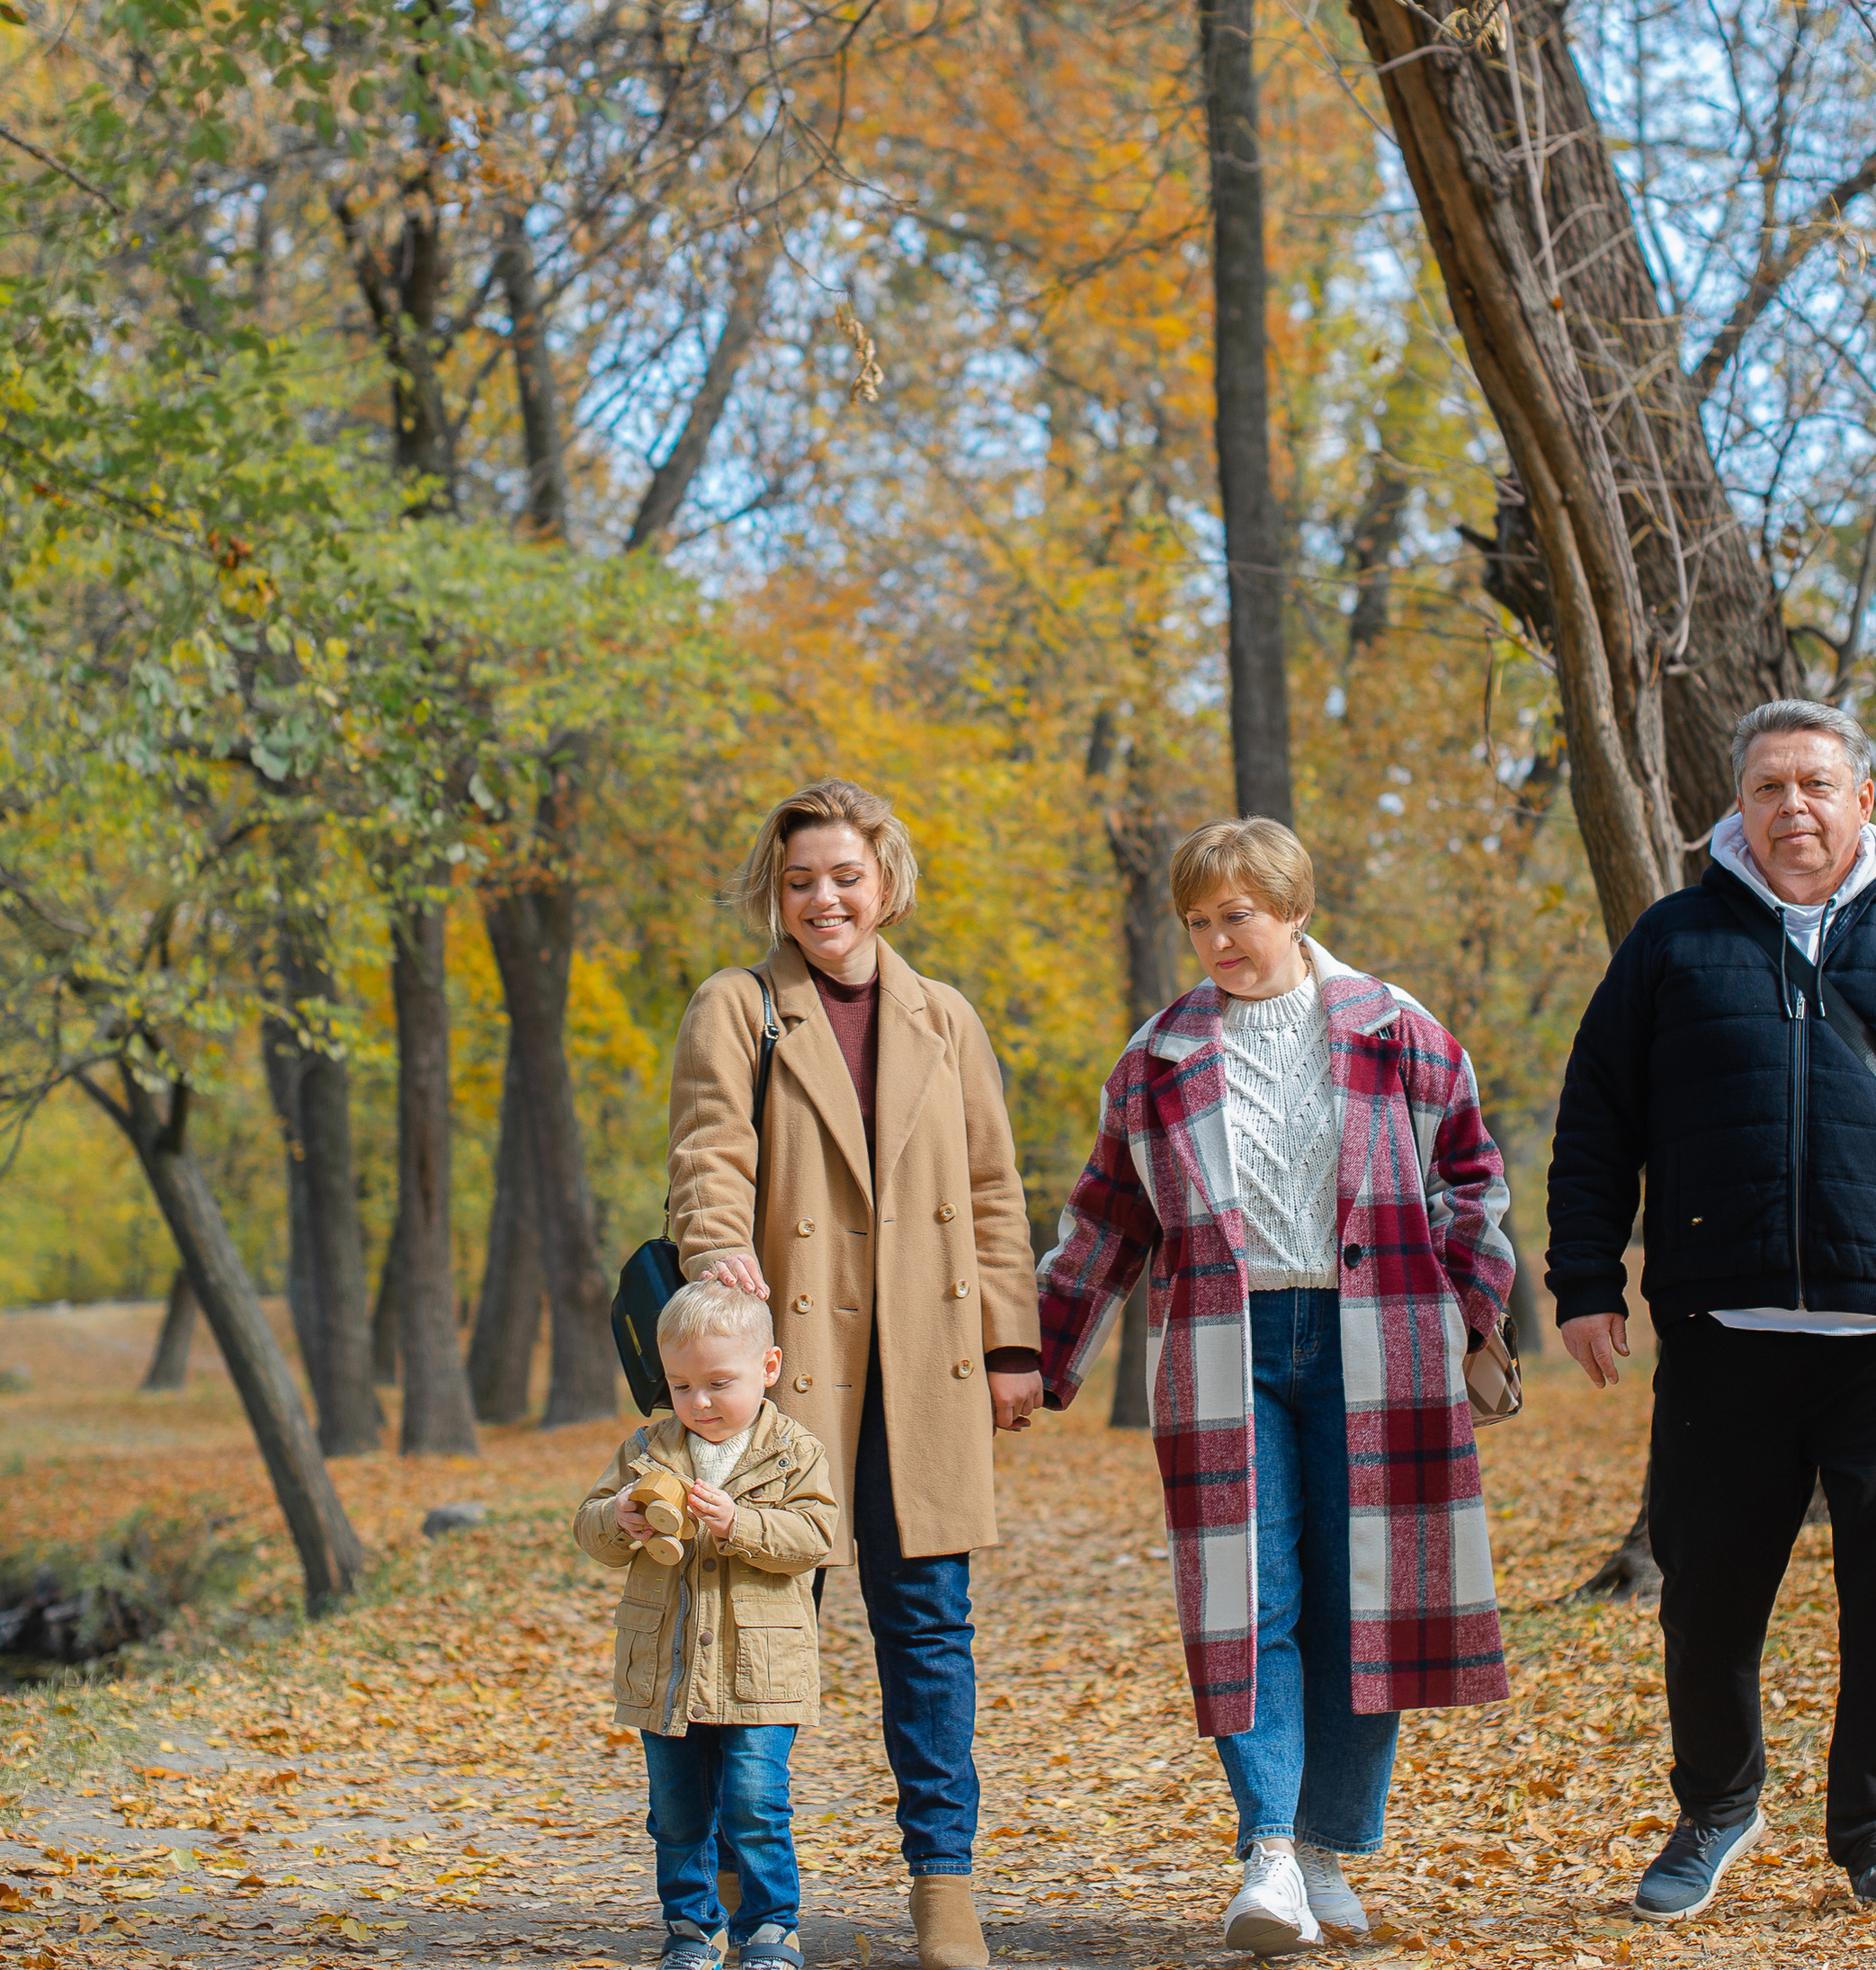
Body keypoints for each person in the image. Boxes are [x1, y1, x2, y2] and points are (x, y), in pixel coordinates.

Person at [1546, 699, 1876, 1922]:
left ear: (1862, 801)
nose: (1794, 808)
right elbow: (1595, 1123)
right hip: (1724, 1345)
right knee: (1709, 1599)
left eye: (1817, 785)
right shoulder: (1675, 943)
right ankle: (1715, 1808)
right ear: (1739, 806)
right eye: (1771, 786)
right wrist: (1583, 1281)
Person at [1036, 818, 1515, 1957]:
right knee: (1248, 1602)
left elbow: (1472, 1183)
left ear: (1295, 909)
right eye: (1198, 921)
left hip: (1379, 1348)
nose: (1217, 940)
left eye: (1237, 915)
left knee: (1369, 1604)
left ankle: (1324, 1851)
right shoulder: (1155, 1059)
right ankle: (1265, 1848)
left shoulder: (1399, 1031)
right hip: (1224, 1347)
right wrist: (1043, 1356)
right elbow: (1104, 1217)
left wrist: (1467, 1308)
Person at [665, 778, 1043, 1970]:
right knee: (760, 1620)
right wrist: (716, 1252)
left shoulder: (946, 1019)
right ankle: (740, 1885)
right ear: (773, 895)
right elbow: (709, 1152)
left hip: (926, 1372)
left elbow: (991, 1189)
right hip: (787, 1370)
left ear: (885, 882)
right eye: (799, 881)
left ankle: (945, 1888)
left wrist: (1010, 1344)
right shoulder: (740, 1007)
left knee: (930, 1629)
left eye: (843, 875)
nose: (823, 898)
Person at [575, 1280, 836, 1970]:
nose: (700, 1402)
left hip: (761, 1671)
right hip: (668, 1667)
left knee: (755, 1801)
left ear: (768, 1369)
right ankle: (692, 1930)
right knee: (677, 1811)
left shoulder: (793, 1450)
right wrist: (620, 1518)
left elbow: (815, 1536)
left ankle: (771, 1928)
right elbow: (591, 1527)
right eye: (682, 1384)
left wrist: (739, 1522)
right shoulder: (649, 1445)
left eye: (720, 1382)